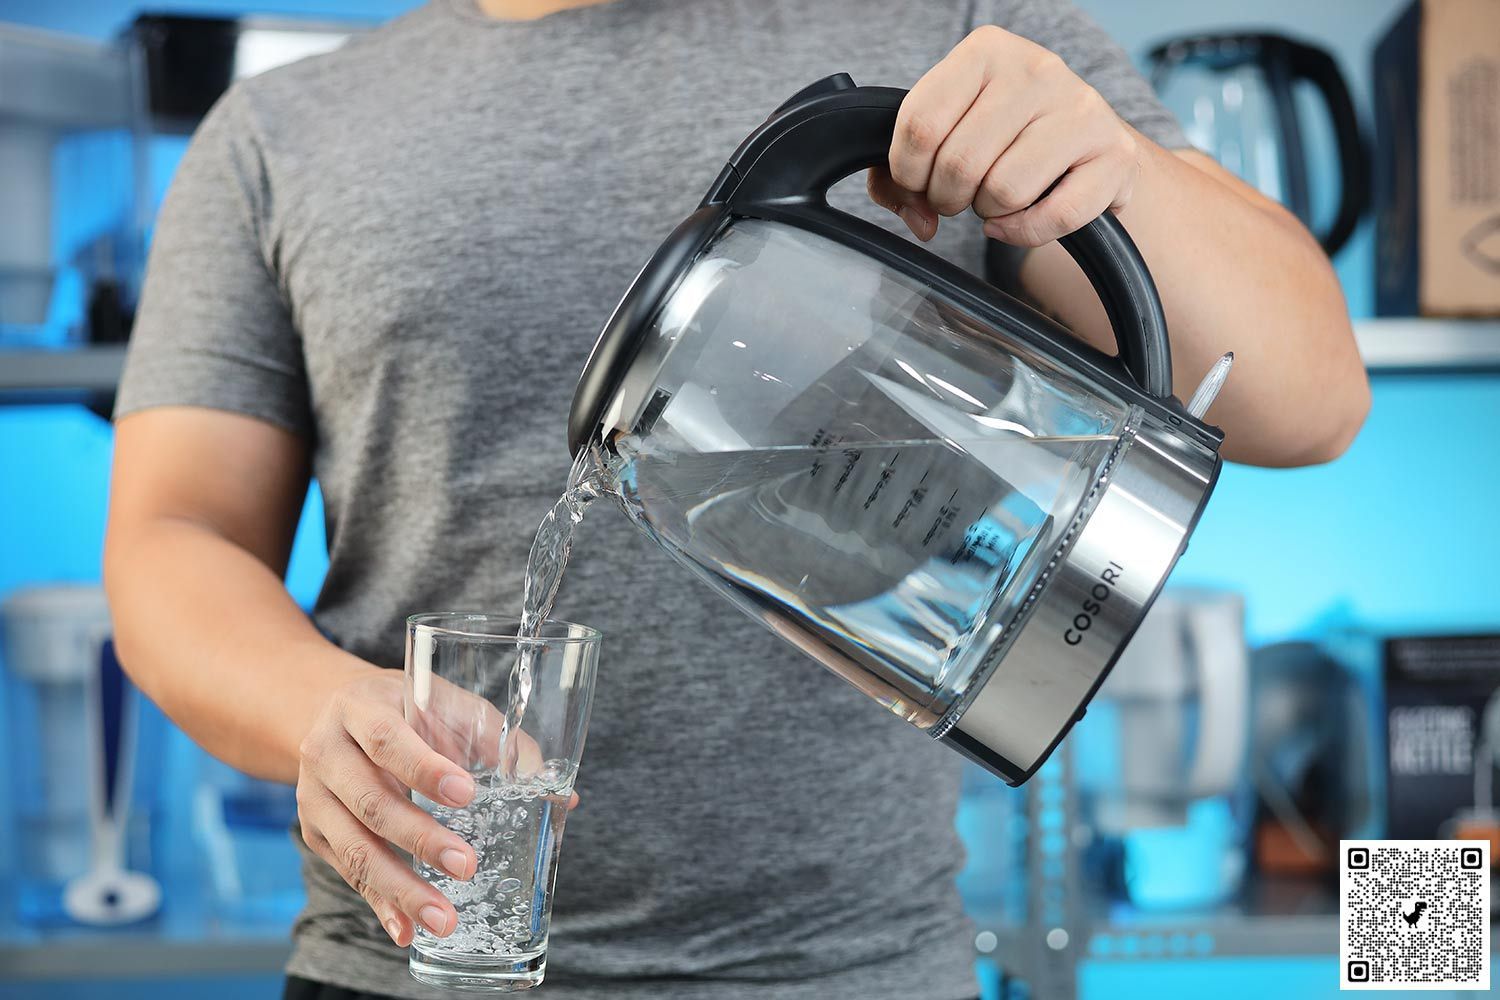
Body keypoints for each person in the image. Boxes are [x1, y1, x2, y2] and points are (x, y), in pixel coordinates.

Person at [103, 1, 1370, 998]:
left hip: (858, 975)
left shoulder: (952, 35)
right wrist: (323, 708)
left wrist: (1116, 173)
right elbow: (175, 539)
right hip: (406, 965)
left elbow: (1310, 398)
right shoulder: (279, 131)